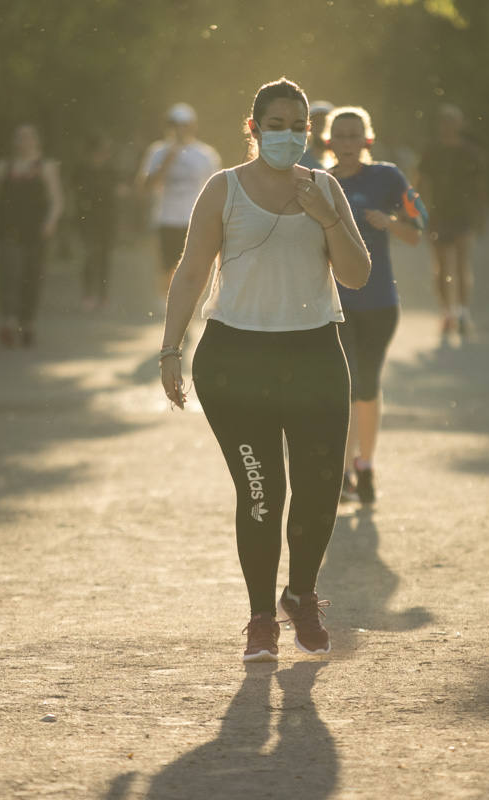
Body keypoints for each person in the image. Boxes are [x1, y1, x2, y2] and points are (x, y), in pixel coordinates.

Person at [158, 78, 370, 663]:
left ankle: (300, 595)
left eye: (299, 125)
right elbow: (191, 271)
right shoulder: (222, 190)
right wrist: (170, 349)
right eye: (276, 124)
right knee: (262, 491)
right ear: (253, 129)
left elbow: (356, 275)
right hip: (236, 361)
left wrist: (329, 220)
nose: (289, 135)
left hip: (314, 357)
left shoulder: (325, 189)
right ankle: (259, 618)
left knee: (320, 489)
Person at [324, 106, 427, 505]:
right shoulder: (320, 182)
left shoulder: (386, 177)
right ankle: (345, 471)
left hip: (380, 302)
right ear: (328, 141)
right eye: (340, 136)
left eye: (355, 136)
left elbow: (419, 227)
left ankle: (365, 467)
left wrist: (390, 222)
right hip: (336, 304)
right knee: (346, 386)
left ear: (367, 140)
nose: (347, 143)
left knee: (367, 386)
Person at [0, 123, 63, 347]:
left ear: (37, 141)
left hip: (36, 232)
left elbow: (57, 200)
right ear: (14, 142)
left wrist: (50, 222)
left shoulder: (45, 167)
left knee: (32, 277)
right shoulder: (3, 167)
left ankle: (28, 324)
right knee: (10, 276)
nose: (24, 142)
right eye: (20, 137)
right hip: (8, 230)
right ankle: (8, 323)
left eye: (29, 137)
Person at [417, 104, 486, 343]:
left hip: (463, 214)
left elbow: (480, 187)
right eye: (444, 121)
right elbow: (422, 182)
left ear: (460, 124)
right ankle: (447, 312)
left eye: (452, 121)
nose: (448, 126)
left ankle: (463, 313)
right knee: (441, 267)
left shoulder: (470, 152)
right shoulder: (432, 151)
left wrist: (480, 215)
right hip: (438, 215)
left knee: (461, 264)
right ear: (440, 125)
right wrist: (421, 213)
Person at [137, 103, 221, 296]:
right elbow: (145, 186)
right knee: (167, 270)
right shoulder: (157, 151)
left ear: (193, 126)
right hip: (166, 220)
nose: (180, 130)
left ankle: (186, 314)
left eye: (184, 125)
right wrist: (168, 159)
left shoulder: (205, 155)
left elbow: (216, 190)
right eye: (175, 125)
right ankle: (169, 307)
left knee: (190, 270)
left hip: (194, 221)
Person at [72, 133, 122, 310]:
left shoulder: (111, 170)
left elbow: (117, 192)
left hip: (107, 218)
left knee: (105, 258)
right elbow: (76, 193)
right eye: (102, 149)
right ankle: (88, 294)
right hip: (87, 218)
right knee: (90, 255)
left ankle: (103, 295)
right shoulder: (82, 170)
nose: (105, 153)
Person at [299, 100, 334, 170]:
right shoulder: (298, 159)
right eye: (317, 122)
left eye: (325, 123)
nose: (321, 127)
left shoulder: (343, 158)